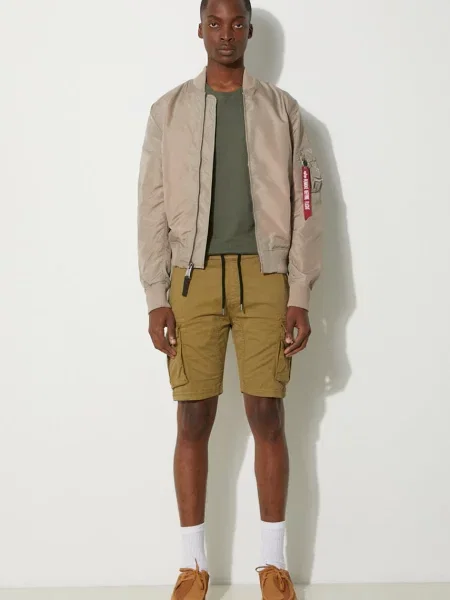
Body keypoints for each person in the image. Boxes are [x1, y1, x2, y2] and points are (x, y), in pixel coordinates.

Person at [137, 0, 323, 597]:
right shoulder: (168, 111)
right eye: (215, 23)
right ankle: (193, 567)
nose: (226, 34)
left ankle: (273, 566)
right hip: (191, 281)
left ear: (250, 30)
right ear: (200, 30)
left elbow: (306, 204)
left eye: (237, 23)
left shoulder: (282, 109)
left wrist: (299, 291)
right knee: (193, 417)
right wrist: (155, 295)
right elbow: (151, 205)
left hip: (267, 278)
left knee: (267, 413)